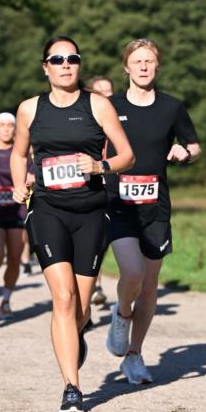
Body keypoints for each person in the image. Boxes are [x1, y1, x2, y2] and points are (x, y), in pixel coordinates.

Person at [11, 36, 134, 412]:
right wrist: (19, 182)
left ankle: (76, 333)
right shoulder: (30, 109)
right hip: (47, 209)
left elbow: (127, 154)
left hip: (92, 212)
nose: (66, 65)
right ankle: (72, 389)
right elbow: (18, 154)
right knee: (62, 298)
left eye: (72, 58)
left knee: (79, 307)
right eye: (57, 59)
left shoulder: (97, 104)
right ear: (45, 67)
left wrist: (101, 167)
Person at [105, 39, 201, 385]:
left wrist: (184, 153)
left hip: (155, 207)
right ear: (126, 68)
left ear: (157, 67)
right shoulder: (109, 106)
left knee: (149, 286)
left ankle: (134, 355)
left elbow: (194, 145)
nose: (143, 66)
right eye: (137, 61)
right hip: (119, 203)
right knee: (132, 274)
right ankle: (121, 314)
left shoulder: (172, 107)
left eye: (149, 61)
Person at [0, 112, 31, 319]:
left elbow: (33, 175)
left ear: (15, 129)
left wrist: (31, 180)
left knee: (14, 258)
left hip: (16, 209)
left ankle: (6, 301)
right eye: (1, 125)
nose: (6, 128)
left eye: (10, 125)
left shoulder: (22, 152)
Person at [86, 77, 115, 307]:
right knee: (96, 241)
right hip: (92, 188)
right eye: (100, 91)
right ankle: (92, 286)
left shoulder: (121, 121)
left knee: (105, 241)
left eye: (109, 91)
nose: (106, 95)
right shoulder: (85, 120)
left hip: (118, 187)